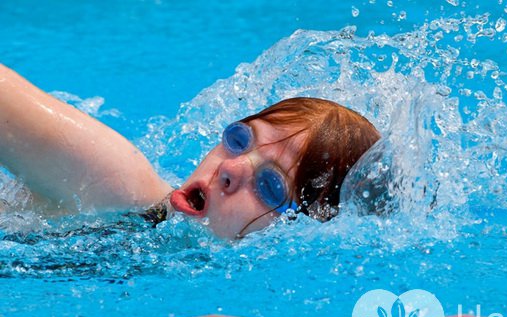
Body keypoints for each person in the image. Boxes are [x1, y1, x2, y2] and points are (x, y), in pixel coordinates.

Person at [0, 64, 381, 238]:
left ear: (302, 233)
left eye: (269, 185)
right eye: (240, 139)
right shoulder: (115, 185)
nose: (229, 170)